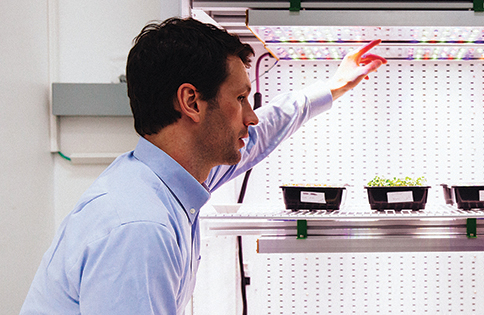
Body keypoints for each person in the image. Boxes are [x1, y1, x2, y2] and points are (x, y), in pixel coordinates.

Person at [20, 17, 385, 314]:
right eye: (241, 98)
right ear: (191, 102)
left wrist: (335, 86)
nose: (251, 117)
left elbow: (263, 132)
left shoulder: (167, 181)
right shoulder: (139, 227)